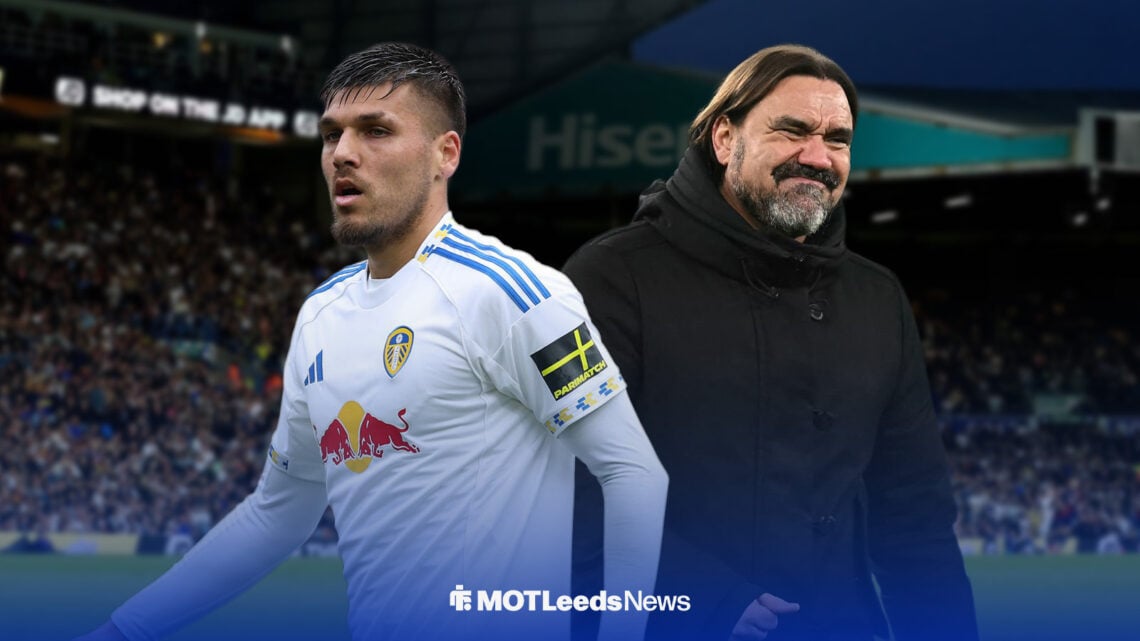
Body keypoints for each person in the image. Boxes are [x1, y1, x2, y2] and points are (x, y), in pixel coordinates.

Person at [75, 42, 667, 641]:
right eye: (332, 135)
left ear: (445, 154)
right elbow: (278, 513)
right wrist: (124, 630)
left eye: (376, 131)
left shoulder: (510, 292)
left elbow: (632, 472)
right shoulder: (321, 315)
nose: (343, 153)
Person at [565, 44, 977, 641]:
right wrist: (708, 602)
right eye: (792, 131)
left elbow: (915, 514)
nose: (817, 157)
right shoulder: (609, 277)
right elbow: (565, 481)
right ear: (724, 139)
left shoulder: (876, 297)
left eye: (837, 140)